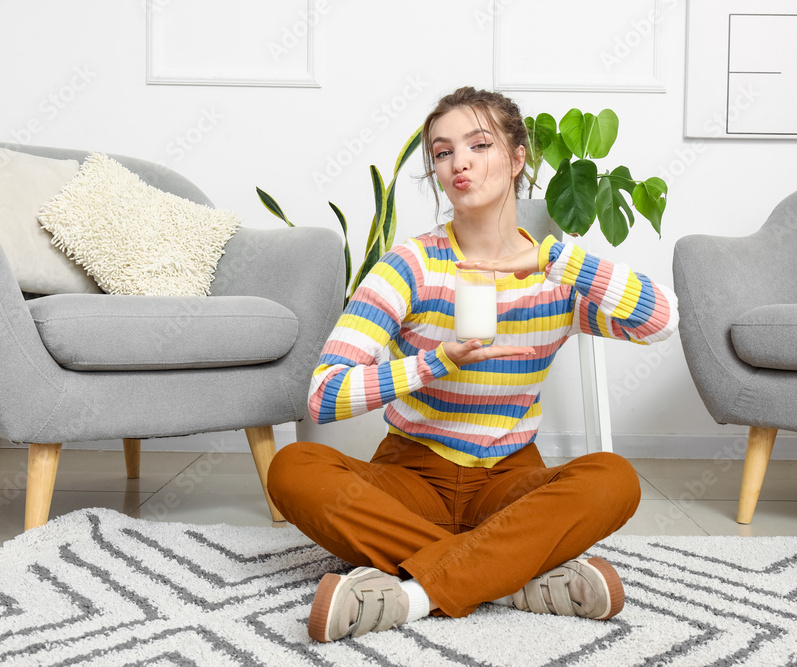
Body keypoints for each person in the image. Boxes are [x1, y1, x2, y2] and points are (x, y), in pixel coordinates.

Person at [267, 86, 679, 643]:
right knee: (294, 468)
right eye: (442, 152)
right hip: (410, 476)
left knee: (615, 479)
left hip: (507, 483)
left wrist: (557, 258)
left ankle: (413, 594)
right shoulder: (410, 264)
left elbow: (661, 321)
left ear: (516, 159)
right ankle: (511, 579)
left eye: (478, 144)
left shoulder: (555, 274)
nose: (458, 161)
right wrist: (433, 363)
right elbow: (324, 394)